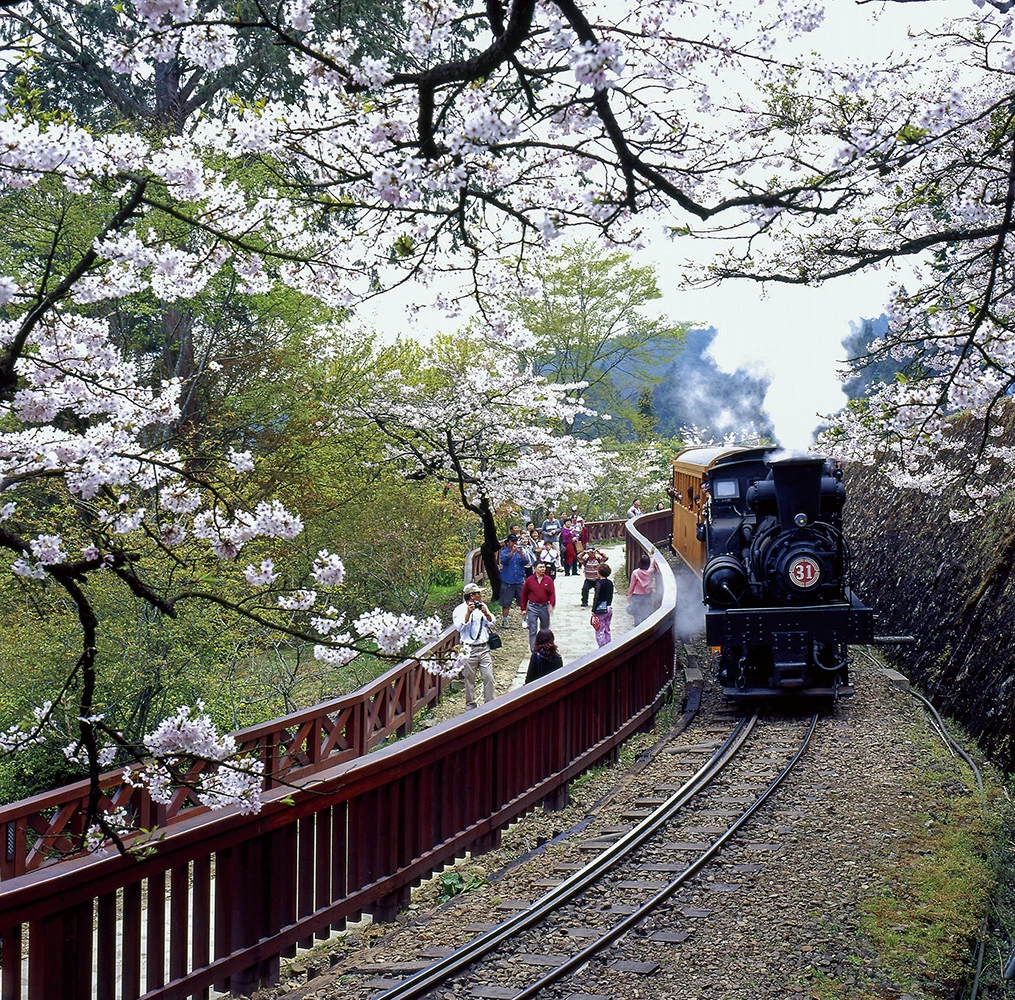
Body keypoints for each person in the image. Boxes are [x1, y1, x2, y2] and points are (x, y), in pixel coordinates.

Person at [452, 582, 496, 710]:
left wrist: (486, 612)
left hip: (483, 648)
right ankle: (470, 705)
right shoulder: (459, 610)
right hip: (468, 649)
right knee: (469, 679)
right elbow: (459, 627)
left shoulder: (482, 607)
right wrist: (468, 613)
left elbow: (492, 622)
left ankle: (490, 704)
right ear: (472, 596)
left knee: (488, 676)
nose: (481, 595)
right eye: (478, 593)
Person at [520, 560, 556, 651]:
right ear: (535, 568)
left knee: (545, 630)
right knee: (532, 629)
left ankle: (545, 647)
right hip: (533, 607)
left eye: (543, 567)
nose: (542, 569)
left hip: (544, 607)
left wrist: (551, 604)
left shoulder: (548, 580)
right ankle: (534, 649)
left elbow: (552, 593)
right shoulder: (529, 580)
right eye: (540, 567)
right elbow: (524, 594)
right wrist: (523, 608)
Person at [498, 534, 529, 627]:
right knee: (506, 602)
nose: (514, 543)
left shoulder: (521, 551)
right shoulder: (504, 552)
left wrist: (521, 554)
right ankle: (505, 620)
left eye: (516, 541)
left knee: (524, 601)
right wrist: (512, 552)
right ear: (508, 542)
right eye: (512, 541)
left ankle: (525, 619)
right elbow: (503, 561)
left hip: (519, 579)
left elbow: (526, 562)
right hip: (508, 579)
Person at [627, 553, 656, 625]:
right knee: (645, 613)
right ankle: (644, 629)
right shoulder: (650, 572)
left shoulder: (635, 573)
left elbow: (632, 586)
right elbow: (652, 565)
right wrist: (651, 557)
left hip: (636, 595)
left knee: (636, 614)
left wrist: (629, 596)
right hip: (647, 595)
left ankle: (637, 628)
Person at [590, 563, 614, 647]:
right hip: (609, 607)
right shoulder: (610, 583)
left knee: (600, 629)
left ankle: (602, 647)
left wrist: (593, 609)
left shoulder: (599, 583)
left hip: (601, 609)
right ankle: (608, 644)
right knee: (607, 628)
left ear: (599, 572)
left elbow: (596, 597)